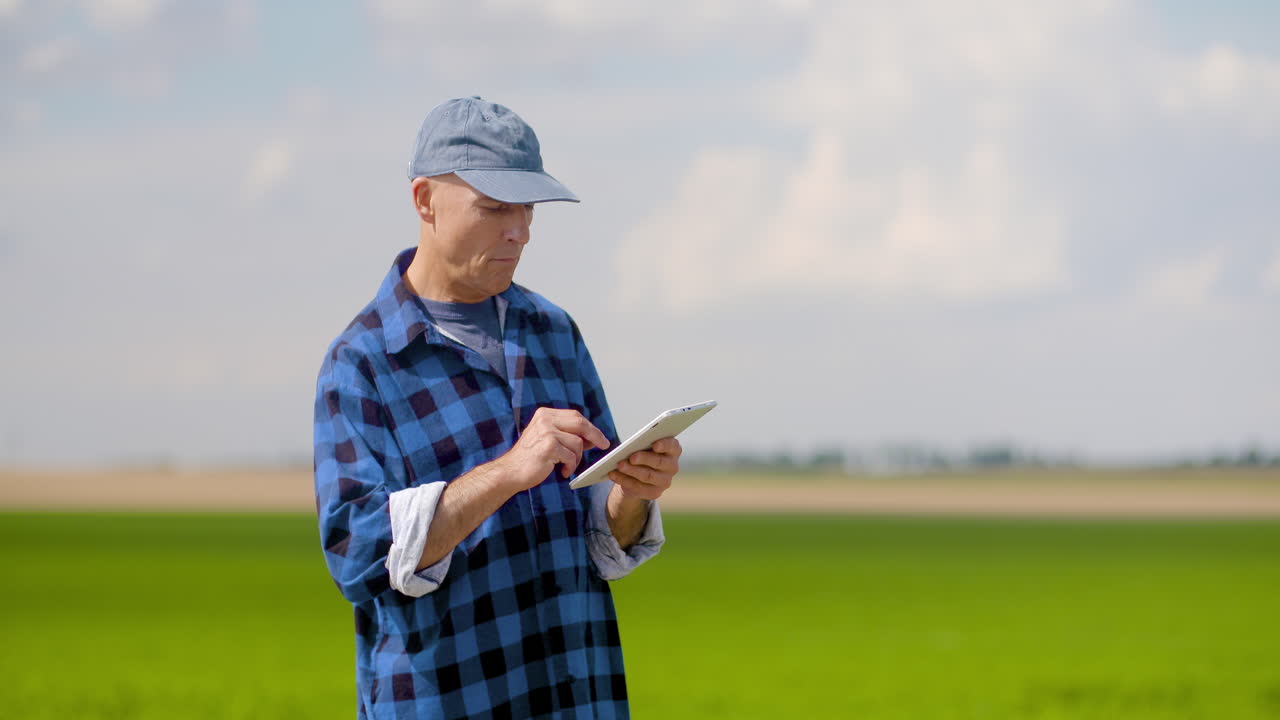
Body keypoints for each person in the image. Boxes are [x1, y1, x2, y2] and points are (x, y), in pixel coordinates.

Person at [313, 96, 681, 720]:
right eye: (494, 208)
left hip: (579, 698)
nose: (521, 231)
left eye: (528, 209)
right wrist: (510, 471)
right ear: (424, 201)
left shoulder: (555, 332)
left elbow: (601, 536)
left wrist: (633, 495)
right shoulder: (363, 363)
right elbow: (357, 553)